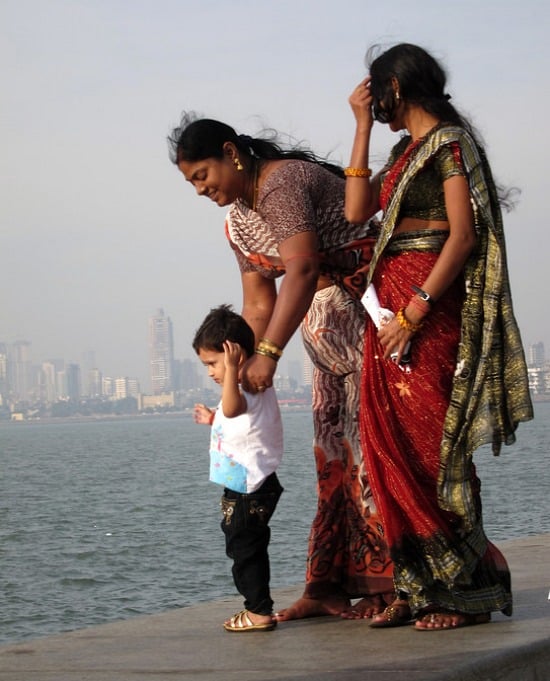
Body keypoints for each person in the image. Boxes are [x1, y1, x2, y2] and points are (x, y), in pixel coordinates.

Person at [169, 114, 395, 620]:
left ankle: (393, 586)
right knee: (333, 458)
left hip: (373, 324)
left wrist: (269, 353)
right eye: (191, 183)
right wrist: (239, 365)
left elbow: (305, 267)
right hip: (324, 344)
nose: (200, 189)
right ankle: (329, 584)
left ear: (230, 153)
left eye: (202, 174)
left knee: (373, 455)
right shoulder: (238, 220)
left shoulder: (282, 182)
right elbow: (256, 306)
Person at [345, 43, 533, 630]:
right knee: (388, 445)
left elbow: (463, 237)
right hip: (389, 310)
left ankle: (463, 590)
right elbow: (356, 210)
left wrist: (416, 312)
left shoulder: (452, 146)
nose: (372, 104)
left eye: (374, 95)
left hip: (425, 307)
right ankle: (416, 584)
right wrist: (357, 128)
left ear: (394, 88)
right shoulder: (405, 151)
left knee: (431, 446)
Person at [192, 304, 284, 632]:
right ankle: (258, 607)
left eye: (213, 363)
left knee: (245, 550)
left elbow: (233, 409)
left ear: (233, 354)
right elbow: (242, 421)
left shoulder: (244, 380)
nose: (211, 372)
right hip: (248, 482)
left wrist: (231, 372)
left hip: (249, 485)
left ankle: (258, 611)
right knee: (243, 545)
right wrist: (211, 418)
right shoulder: (245, 382)